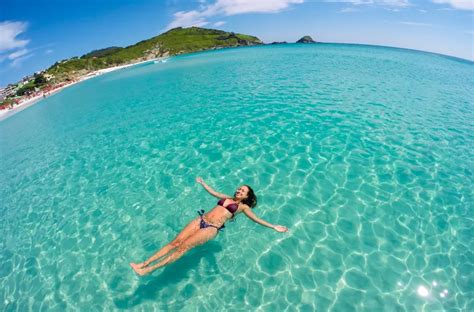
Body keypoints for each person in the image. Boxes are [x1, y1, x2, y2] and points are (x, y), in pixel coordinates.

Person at [130, 177, 288, 276]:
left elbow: (257, 219)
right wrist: (203, 183)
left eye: (243, 190)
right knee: (175, 242)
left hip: (211, 228)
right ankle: (144, 263)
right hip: (201, 219)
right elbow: (213, 192)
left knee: (182, 248)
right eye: (239, 188)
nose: (239, 190)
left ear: (247, 196)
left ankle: (149, 270)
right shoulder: (227, 197)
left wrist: (273, 226)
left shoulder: (243, 208)